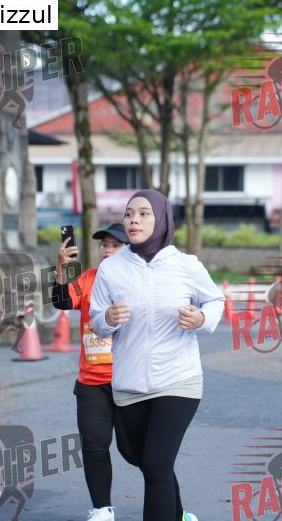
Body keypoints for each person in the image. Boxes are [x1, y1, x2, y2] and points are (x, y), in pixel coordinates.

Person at [89, 189, 224, 521]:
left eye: (143, 213)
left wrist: (201, 319)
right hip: (129, 383)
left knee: (156, 463)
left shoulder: (186, 265)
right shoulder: (111, 269)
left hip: (178, 379)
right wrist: (107, 318)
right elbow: (96, 321)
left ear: (162, 218)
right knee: (148, 463)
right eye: (129, 213)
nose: (133, 220)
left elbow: (215, 301)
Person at [51, 223, 137, 521]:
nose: (108, 250)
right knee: (93, 445)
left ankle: (172, 504)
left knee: (134, 451)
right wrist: (61, 268)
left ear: (130, 250)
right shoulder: (89, 279)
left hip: (130, 382)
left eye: (116, 245)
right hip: (91, 383)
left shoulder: (139, 283)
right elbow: (61, 301)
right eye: (105, 245)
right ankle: (102, 509)